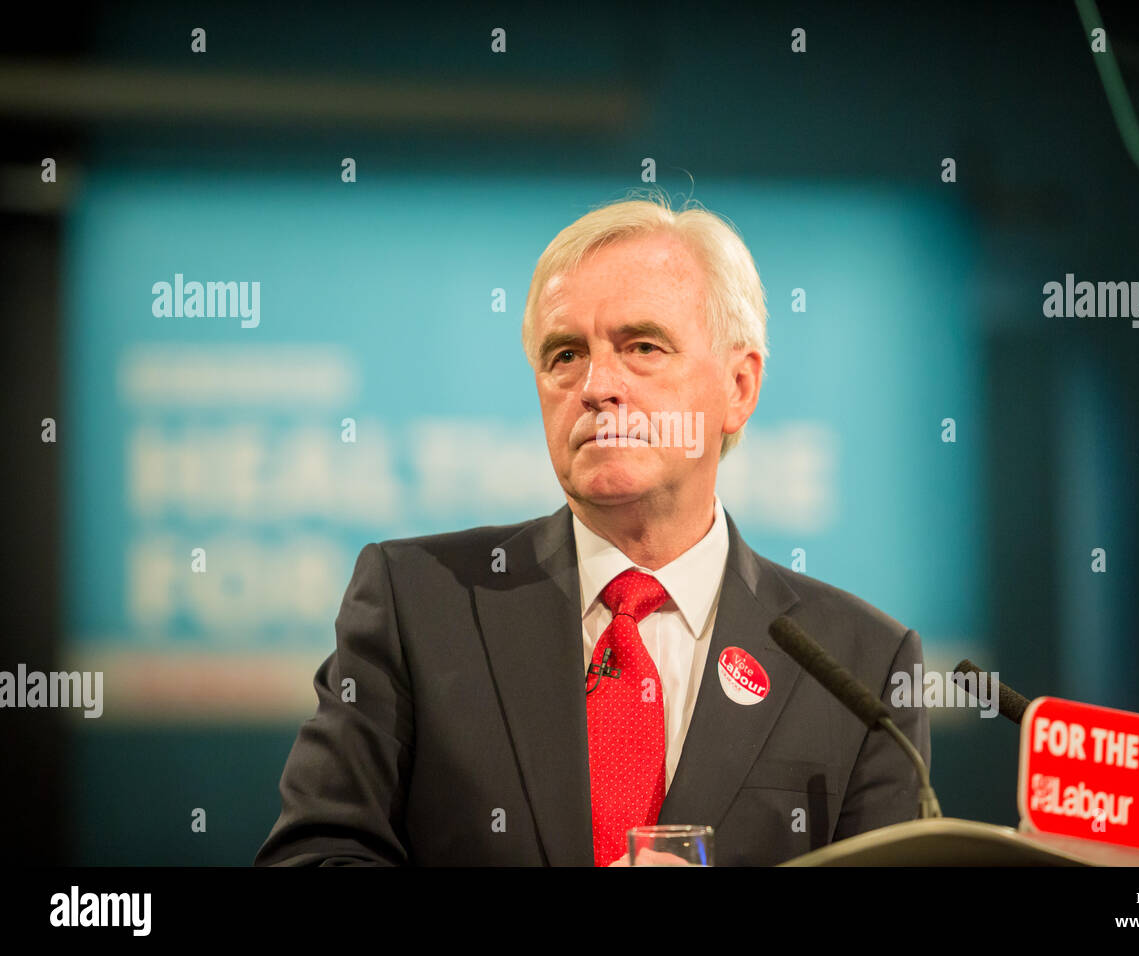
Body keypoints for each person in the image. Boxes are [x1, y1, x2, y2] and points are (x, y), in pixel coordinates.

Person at [254, 191, 929, 866]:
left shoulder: (859, 668)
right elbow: (312, 859)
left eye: (642, 346)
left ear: (739, 387)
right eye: (565, 355)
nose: (597, 384)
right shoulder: (416, 605)